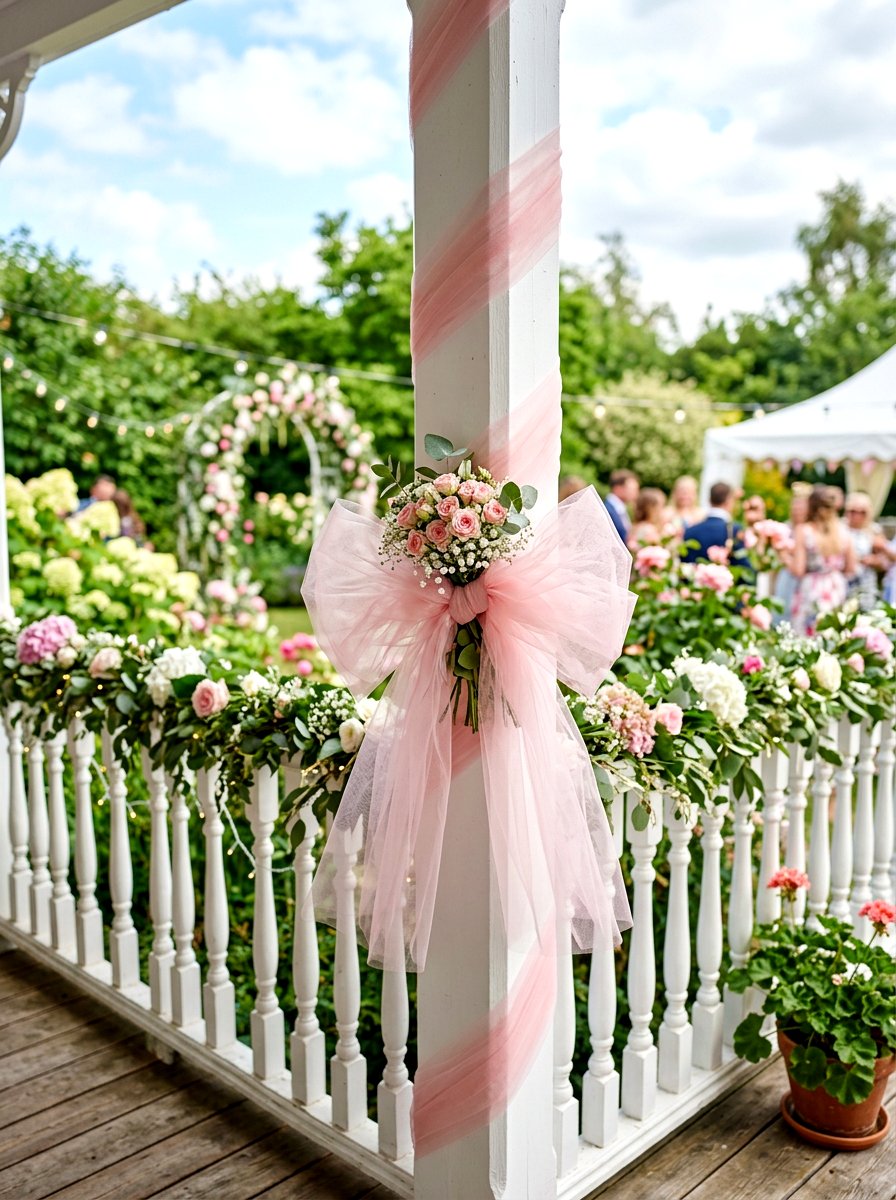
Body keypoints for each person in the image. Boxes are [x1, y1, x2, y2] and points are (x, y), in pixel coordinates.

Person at [790, 485, 856, 636]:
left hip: (811, 588)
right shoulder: (843, 531)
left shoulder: (804, 530)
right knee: (833, 633)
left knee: (808, 636)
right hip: (836, 586)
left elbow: (798, 570)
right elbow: (851, 568)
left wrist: (784, 557)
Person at [682, 481, 750, 570]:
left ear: (709, 500)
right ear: (729, 500)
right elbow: (744, 568)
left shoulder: (690, 531)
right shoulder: (735, 530)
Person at [843, 491, 883, 610]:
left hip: (866, 581)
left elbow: (884, 562)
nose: (857, 515)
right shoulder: (839, 528)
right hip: (844, 580)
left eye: (862, 512)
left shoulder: (874, 530)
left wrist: (873, 560)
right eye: (853, 511)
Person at [604, 469, 638, 544]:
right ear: (618, 488)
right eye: (632, 489)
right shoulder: (606, 510)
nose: (635, 493)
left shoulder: (621, 508)